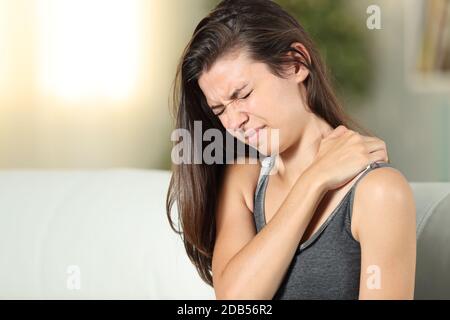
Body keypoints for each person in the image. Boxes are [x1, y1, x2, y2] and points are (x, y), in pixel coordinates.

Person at [166, 0, 416, 300]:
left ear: (296, 64)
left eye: (243, 94)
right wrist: (314, 180)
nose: (233, 121)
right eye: (219, 109)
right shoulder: (244, 180)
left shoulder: (378, 192)